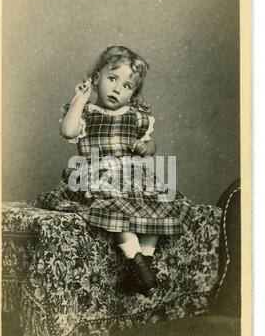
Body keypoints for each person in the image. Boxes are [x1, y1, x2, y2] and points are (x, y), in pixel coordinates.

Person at [36, 45, 194, 297]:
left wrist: (147, 147)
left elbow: (150, 142)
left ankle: (145, 265)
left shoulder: (137, 116)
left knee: (160, 203)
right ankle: (134, 259)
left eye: (127, 86)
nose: (118, 88)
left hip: (133, 176)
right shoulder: (86, 113)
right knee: (113, 205)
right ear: (96, 78)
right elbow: (68, 131)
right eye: (112, 79)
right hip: (98, 174)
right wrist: (80, 99)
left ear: (133, 95)